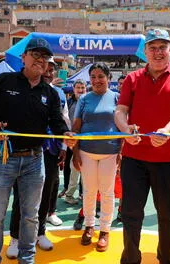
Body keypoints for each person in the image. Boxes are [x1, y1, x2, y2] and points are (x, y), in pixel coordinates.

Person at [0, 37, 76, 264]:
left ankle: (27, 259)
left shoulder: (51, 93)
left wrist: (66, 134)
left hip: (35, 160)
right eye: (35, 55)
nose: (40, 61)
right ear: (23, 57)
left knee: (31, 217)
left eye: (44, 58)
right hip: (3, 158)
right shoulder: (4, 80)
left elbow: (57, 122)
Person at [114, 29, 170, 264]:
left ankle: (167, 260)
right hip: (134, 158)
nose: (158, 52)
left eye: (162, 47)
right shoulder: (132, 78)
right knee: (130, 213)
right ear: (145, 51)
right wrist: (125, 129)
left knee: (167, 216)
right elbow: (120, 111)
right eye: (153, 47)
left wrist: (167, 131)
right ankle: (130, 259)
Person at [6, 57, 69, 258]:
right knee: (21, 197)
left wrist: (64, 147)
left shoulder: (58, 93)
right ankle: (15, 238)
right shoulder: (25, 88)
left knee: (46, 195)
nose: (49, 73)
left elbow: (64, 122)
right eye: (46, 69)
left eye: (52, 69)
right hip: (26, 150)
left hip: (50, 151)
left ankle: (40, 233)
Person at [72, 62, 121, 252]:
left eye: (101, 76)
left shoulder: (117, 97)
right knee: (89, 192)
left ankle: (105, 230)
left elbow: (122, 127)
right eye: (93, 77)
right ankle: (89, 226)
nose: (97, 80)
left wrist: (121, 152)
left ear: (108, 78)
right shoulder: (84, 99)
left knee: (108, 193)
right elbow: (76, 128)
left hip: (110, 153)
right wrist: (75, 153)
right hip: (86, 152)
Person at [61, 79, 87, 205]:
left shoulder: (89, 101)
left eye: (83, 87)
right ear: (74, 89)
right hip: (72, 141)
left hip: (87, 142)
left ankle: (83, 193)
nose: (81, 90)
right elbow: (66, 122)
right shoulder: (69, 102)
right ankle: (69, 193)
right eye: (78, 87)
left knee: (86, 171)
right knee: (74, 169)